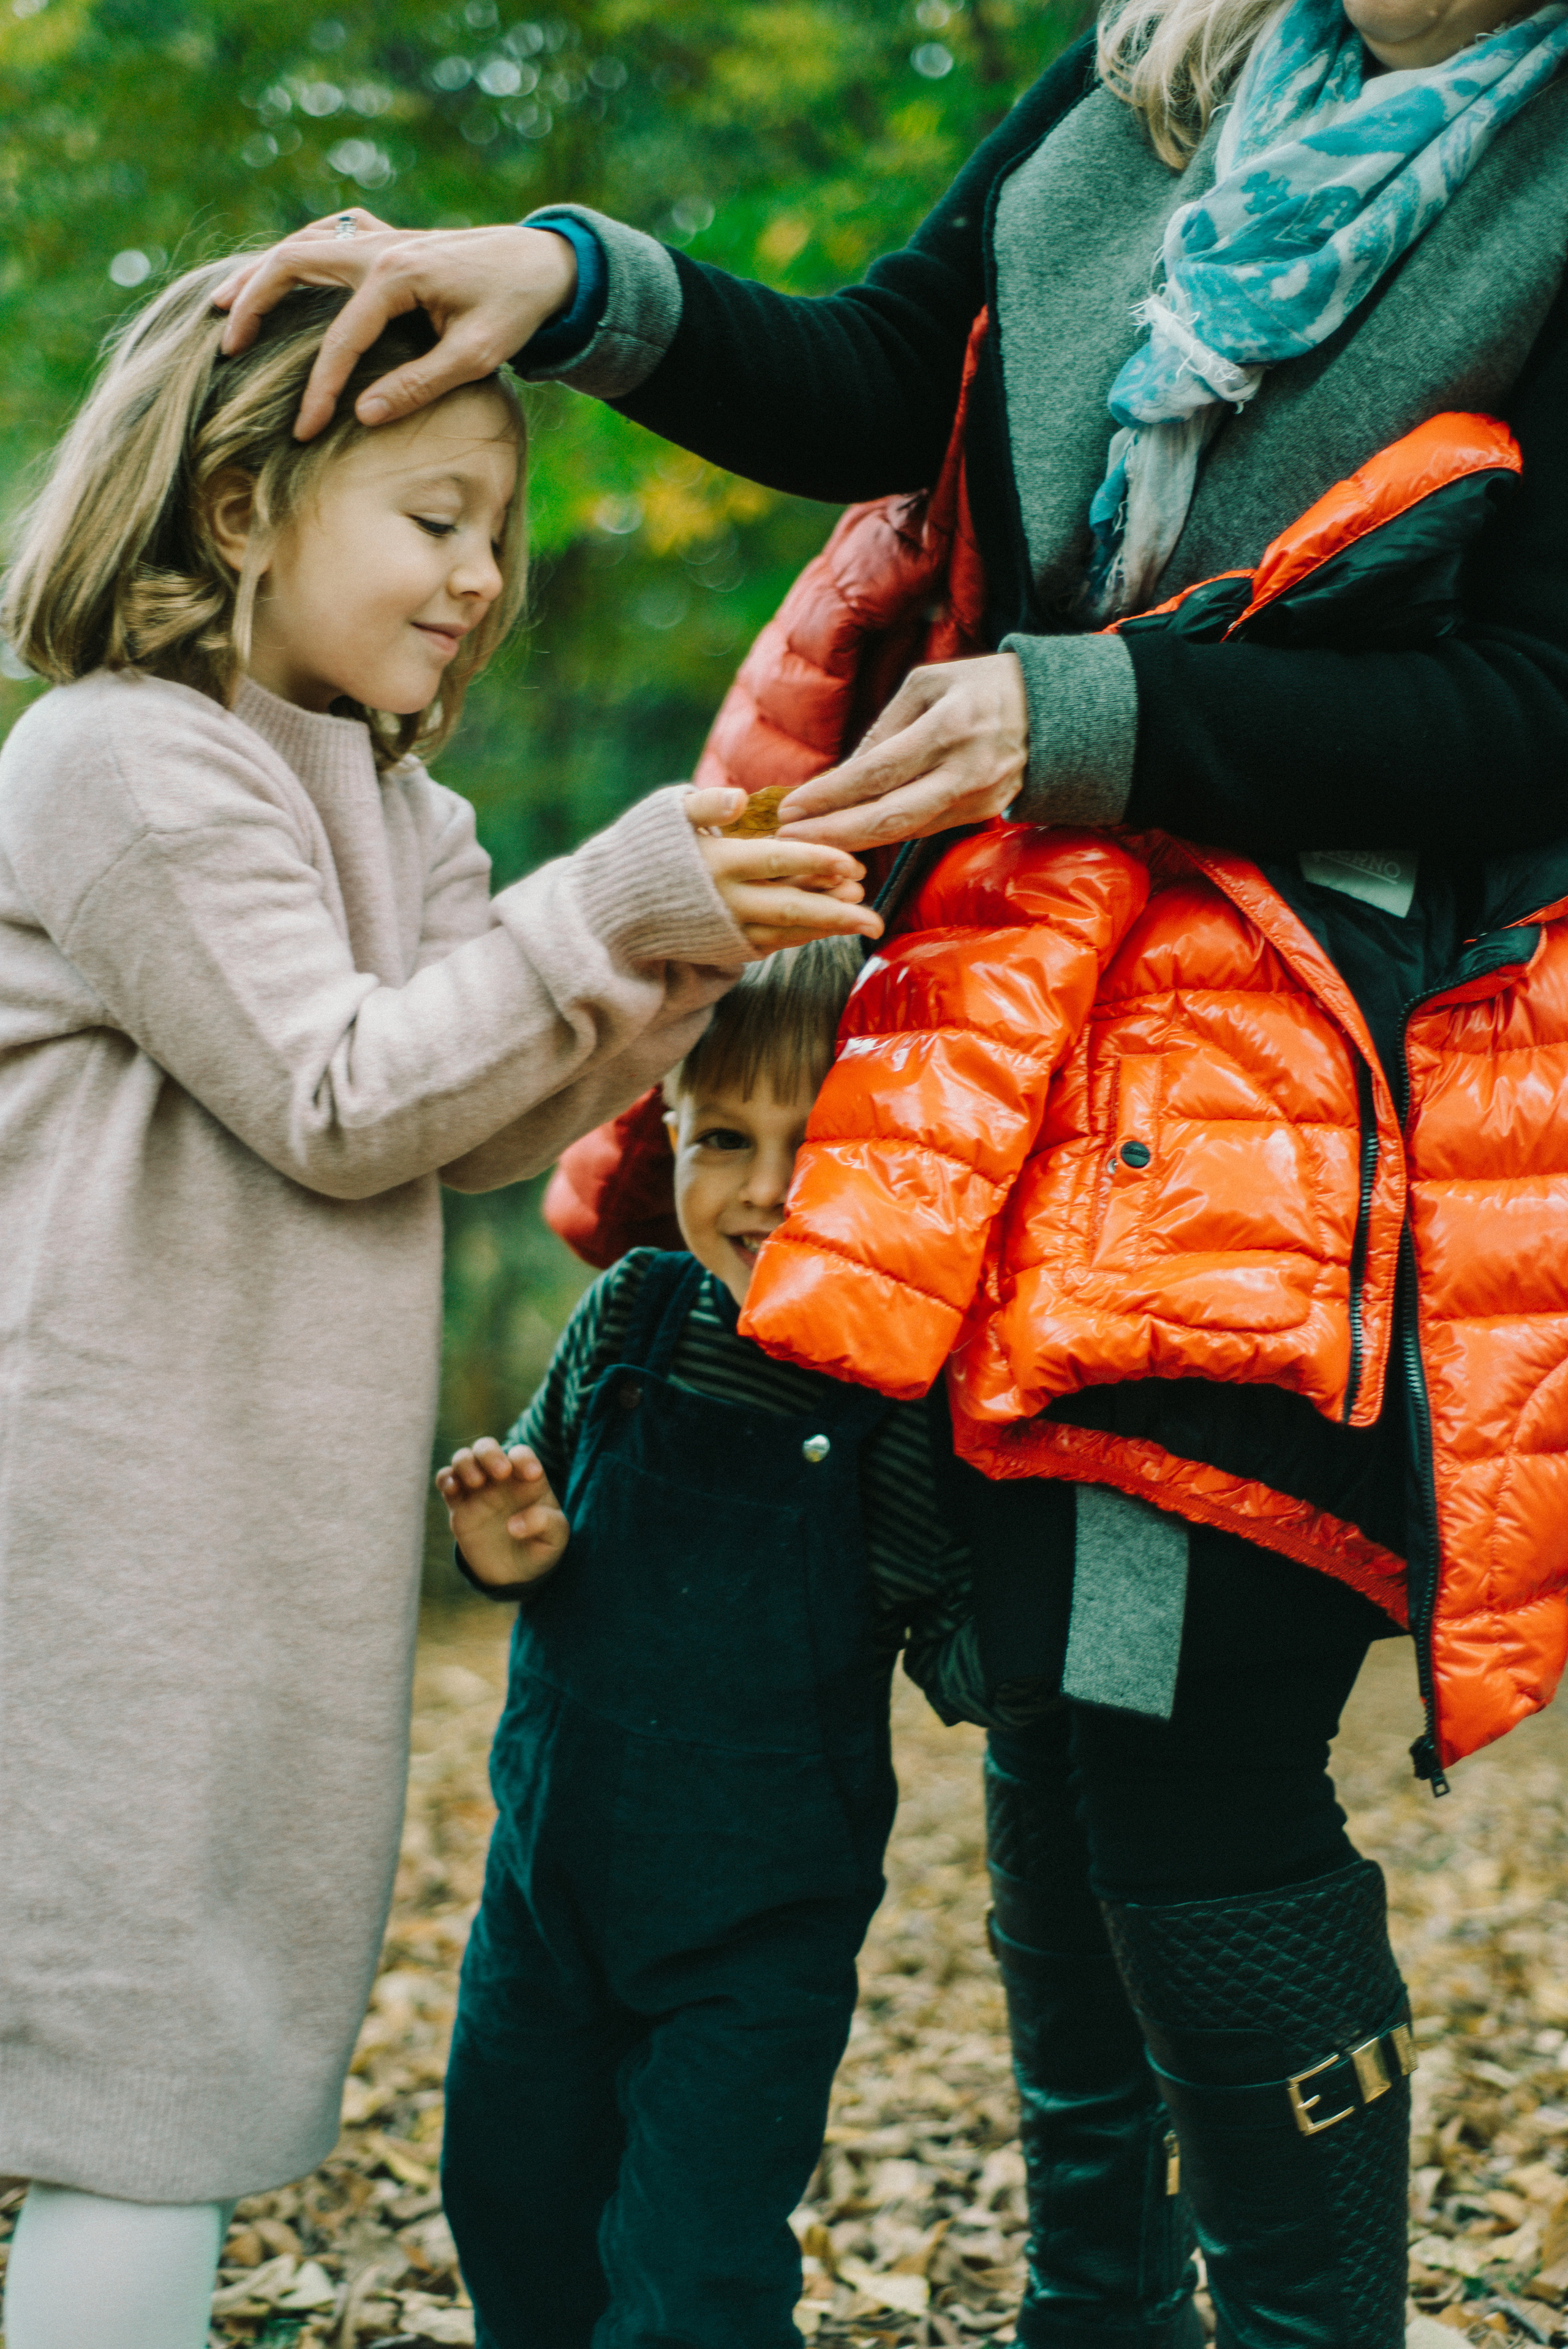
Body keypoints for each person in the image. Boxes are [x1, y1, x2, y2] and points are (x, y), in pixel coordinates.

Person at [214, 0, 1568, 2337]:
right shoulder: (1172, 65)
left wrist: (1097, 713)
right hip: (993, 1040)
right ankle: (1091, 2314)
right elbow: (881, 369)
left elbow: (1544, 704)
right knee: (1039, 1706)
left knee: (1178, 1737)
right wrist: (569, 282)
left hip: (1313, 1073)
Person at [0, 264, 881, 2349]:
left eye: (499, 525)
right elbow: (339, 1091)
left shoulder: (405, 813)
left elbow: (475, 1124)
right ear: (238, 514)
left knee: (164, 2082)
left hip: (241, 1546)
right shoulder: (122, 758)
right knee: (131, 2089)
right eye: (433, 515)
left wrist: (671, 943)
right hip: (88, 1527)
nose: (484, 572)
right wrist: (627, 897)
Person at [434, 940, 1062, 2349]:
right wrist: (505, 1543)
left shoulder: (898, 1405)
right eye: (726, 1138)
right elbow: (531, 1517)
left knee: (693, 2271)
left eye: (817, 1142)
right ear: (666, 1132)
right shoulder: (632, 1318)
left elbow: (957, 1650)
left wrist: (1053, 1607)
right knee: (508, 2202)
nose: (767, 1189)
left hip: (754, 1935)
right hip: (547, 1897)